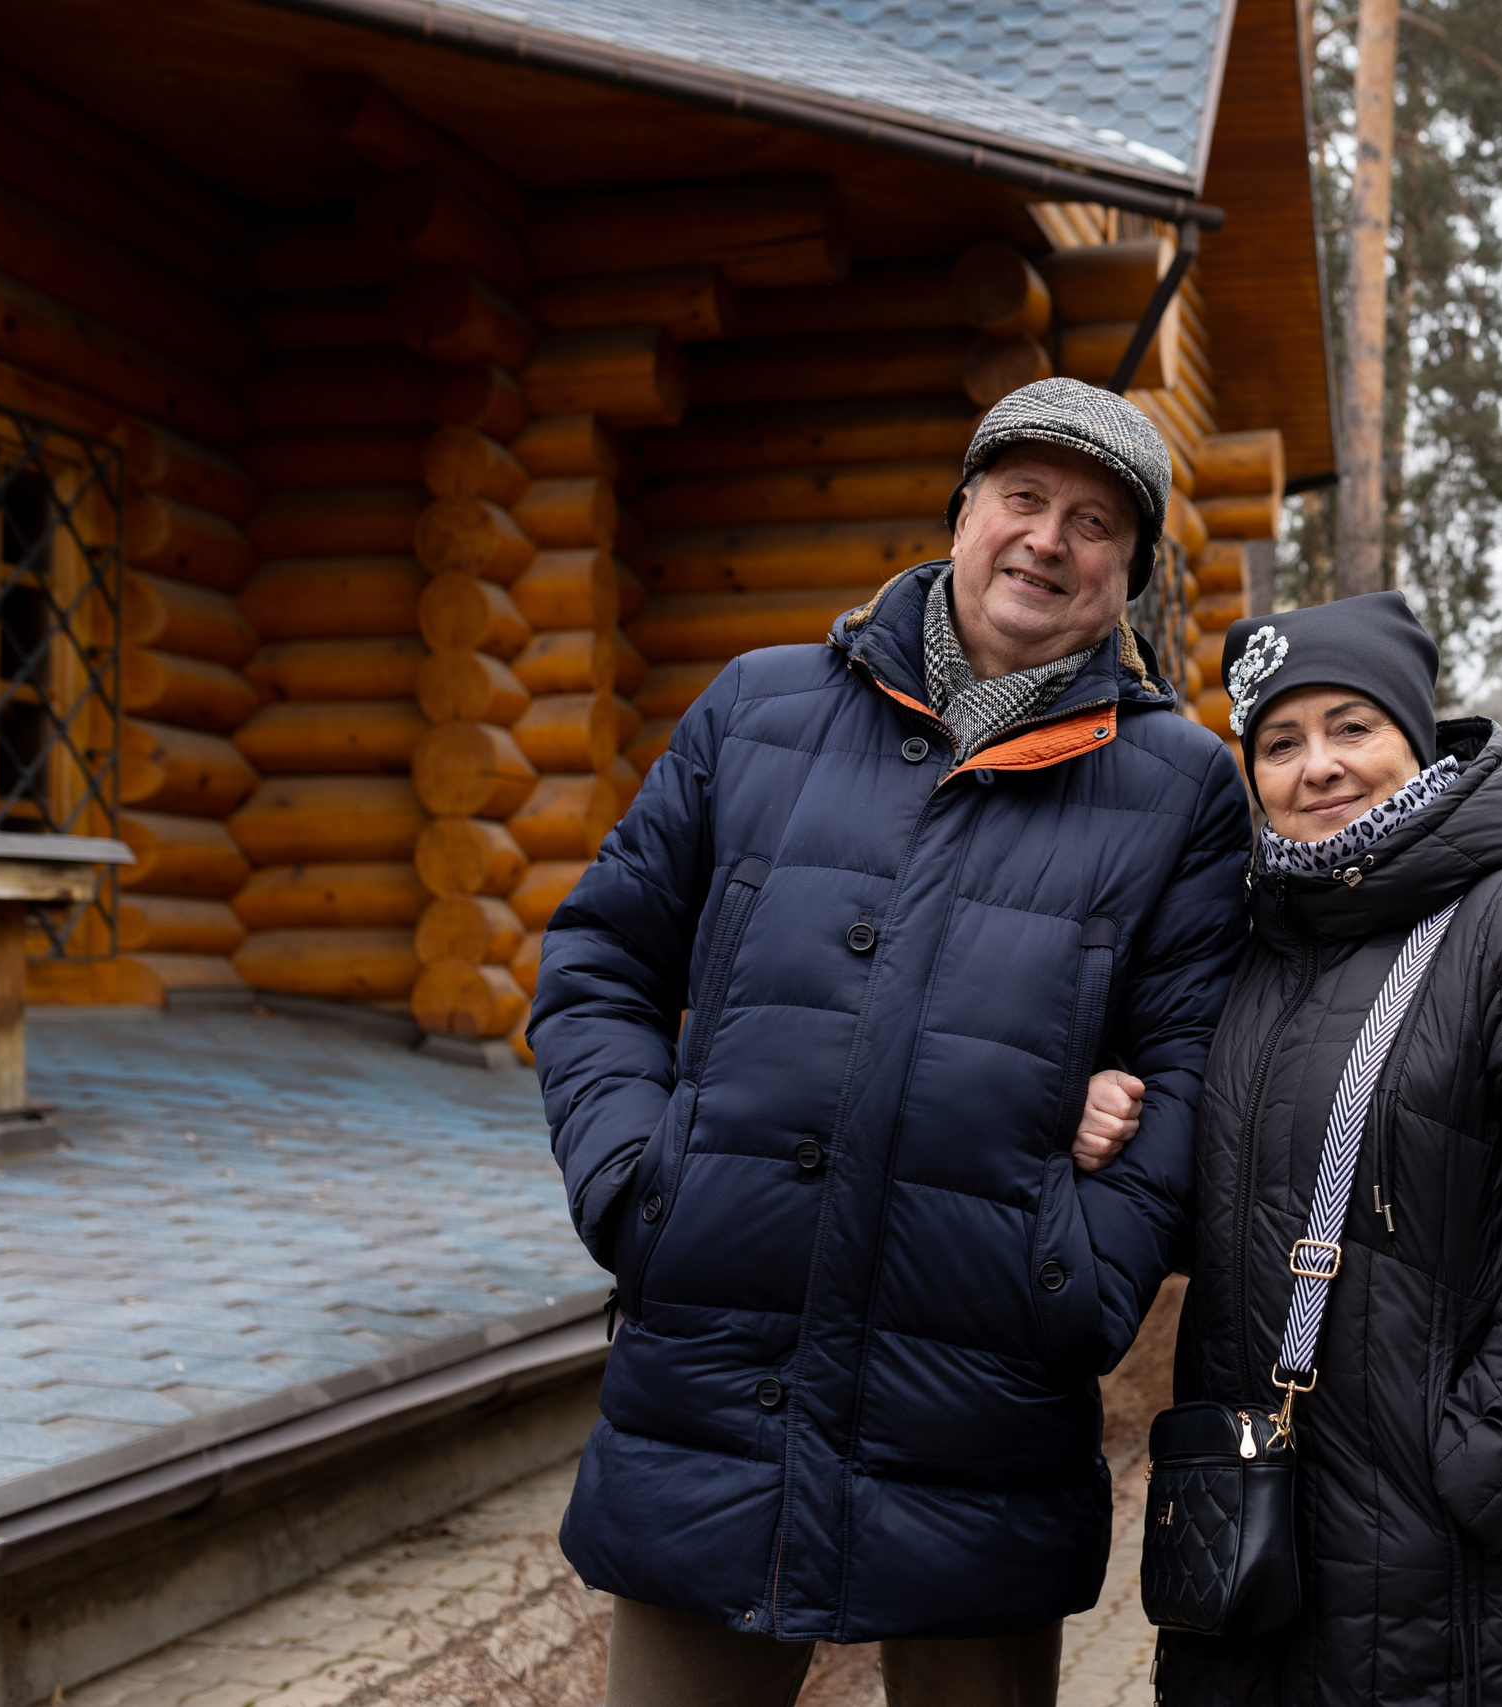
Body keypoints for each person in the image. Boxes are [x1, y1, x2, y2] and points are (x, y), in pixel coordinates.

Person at [531, 378, 1252, 1707]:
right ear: (962, 513)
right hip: (713, 1373)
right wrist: (638, 1176)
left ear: (1132, 576)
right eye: (1023, 497)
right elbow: (598, 955)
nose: (1049, 538)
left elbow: (1198, 1061)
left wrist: (1081, 1267)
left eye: (1096, 522)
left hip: (981, 1400)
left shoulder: (1180, 789)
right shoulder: (757, 709)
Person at [1159, 593, 1502, 1705]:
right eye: (1282, 743)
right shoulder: (1255, 949)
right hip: (1278, 1533)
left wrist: (1493, 1459)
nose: (1319, 767)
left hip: (1473, 1558)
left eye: (1352, 726)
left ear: (1415, 733)